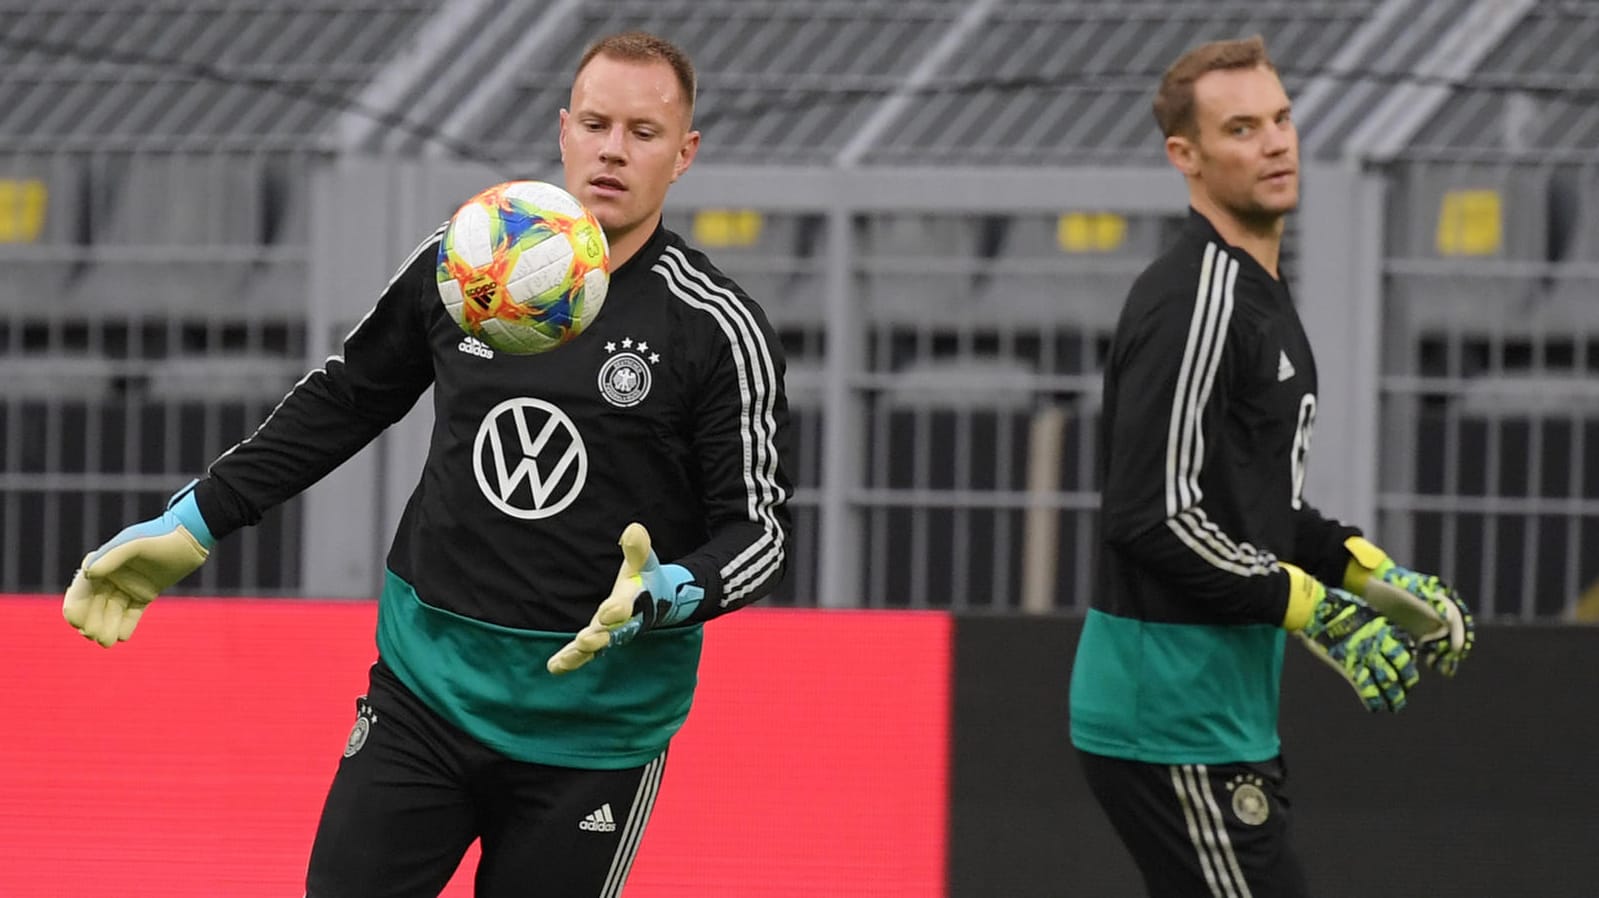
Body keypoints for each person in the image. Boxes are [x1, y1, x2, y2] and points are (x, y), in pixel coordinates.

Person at [62, 30, 793, 897]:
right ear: (562, 130)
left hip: (594, 735)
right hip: (425, 693)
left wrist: (668, 592)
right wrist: (195, 519)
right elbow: (349, 396)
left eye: (643, 132)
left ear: (684, 155)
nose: (611, 149)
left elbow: (762, 532)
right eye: (595, 122)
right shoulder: (472, 257)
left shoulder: (713, 327)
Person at [1068, 35, 1474, 898]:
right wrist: (1318, 612)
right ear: (1186, 156)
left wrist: (1367, 574)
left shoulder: (1254, 293)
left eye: (1282, 120)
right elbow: (1152, 516)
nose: (1275, 143)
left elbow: (1250, 506)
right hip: (1169, 715)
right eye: (1242, 128)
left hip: (1218, 710)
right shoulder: (1195, 301)